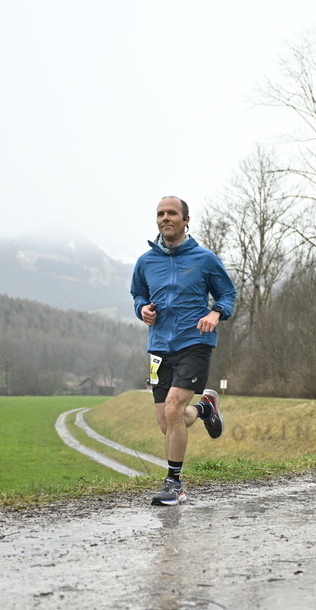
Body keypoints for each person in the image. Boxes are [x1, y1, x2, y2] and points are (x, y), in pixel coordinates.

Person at [131, 196, 237, 506]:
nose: (165, 218)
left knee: (174, 409)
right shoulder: (145, 262)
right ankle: (205, 409)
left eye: (172, 213)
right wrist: (142, 309)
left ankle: (174, 483)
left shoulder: (204, 259)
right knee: (167, 422)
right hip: (159, 347)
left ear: (186, 220)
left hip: (195, 342)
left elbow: (228, 294)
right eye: (160, 214)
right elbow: (138, 295)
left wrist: (215, 313)